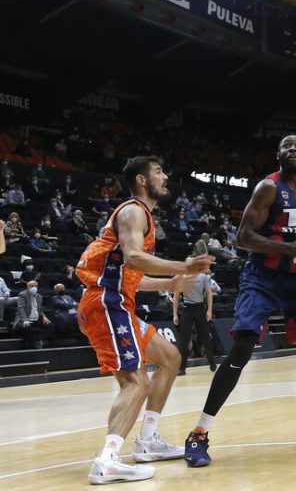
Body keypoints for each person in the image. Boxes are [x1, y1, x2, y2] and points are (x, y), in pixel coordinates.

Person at [184, 135, 296, 468]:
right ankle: (199, 432)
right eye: (286, 146)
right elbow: (243, 237)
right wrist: (290, 250)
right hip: (262, 278)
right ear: (278, 155)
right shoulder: (267, 188)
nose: (291, 150)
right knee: (243, 346)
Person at [76, 156, 214, 484]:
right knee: (135, 383)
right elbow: (135, 257)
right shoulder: (133, 210)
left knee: (170, 357)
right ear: (141, 179)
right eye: (159, 171)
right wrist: (183, 266)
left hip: (114, 301)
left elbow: (130, 273)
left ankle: (148, 441)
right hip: (107, 304)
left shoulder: (142, 215)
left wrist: (168, 283)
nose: (165, 177)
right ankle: (108, 459)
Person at [172, 243, 218, 375]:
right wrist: (175, 314)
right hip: (187, 309)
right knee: (184, 340)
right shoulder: (182, 278)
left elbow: (209, 294)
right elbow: (176, 297)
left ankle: (212, 361)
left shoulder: (203, 277)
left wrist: (209, 310)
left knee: (206, 338)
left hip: (200, 309)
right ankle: (182, 368)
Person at [15, 280, 53, 348]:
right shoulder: (22, 295)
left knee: (50, 325)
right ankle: (33, 344)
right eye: (32, 286)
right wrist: (25, 320)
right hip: (24, 318)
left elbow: (40, 310)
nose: (34, 287)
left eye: (36, 286)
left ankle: (40, 340)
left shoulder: (39, 296)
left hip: (36, 319)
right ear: (28, 287)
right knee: (27, 326)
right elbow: (20, 308)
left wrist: (44, 317)